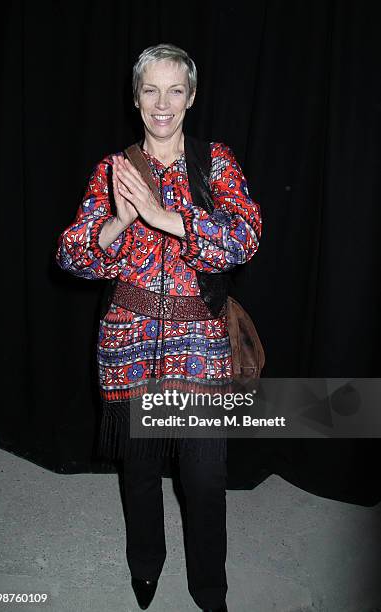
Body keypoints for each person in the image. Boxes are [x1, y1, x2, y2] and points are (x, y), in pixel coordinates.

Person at [56, 43, 262, 612]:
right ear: (136, 98)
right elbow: (73, 255)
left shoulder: (214, 161)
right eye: (151, 89)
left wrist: (161, 215)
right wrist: (117, 223)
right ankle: (145, 567)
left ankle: (209, 588)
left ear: (191, 98)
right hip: (128, 346)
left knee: (203, 479)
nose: (163, 102)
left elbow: (244, 236)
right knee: (140, 473)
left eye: (176, 90)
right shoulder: (113, 169)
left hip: (201, 351)